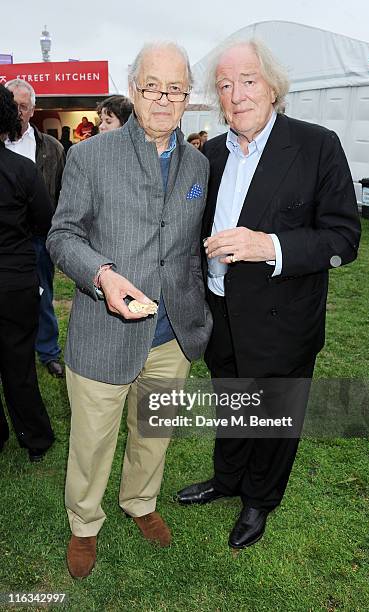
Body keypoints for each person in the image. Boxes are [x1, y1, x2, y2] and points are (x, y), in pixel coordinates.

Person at [176, 38, 361, 549]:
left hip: (284, 321)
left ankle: (260, 498)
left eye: (248, 81)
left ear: (274, 85)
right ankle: (228, 479)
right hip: (222, 313)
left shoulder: (316, 143)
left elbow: (344, 238)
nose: (236, 95)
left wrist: (269, 245)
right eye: (225, 85)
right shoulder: (211, 152)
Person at [47, 41, 212, 578]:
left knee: (154, 434)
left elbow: (184, 245)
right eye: (152, 87)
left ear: (188, 96)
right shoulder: (90, 155)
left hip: (170, 338)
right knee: (91, 443)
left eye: (175, 89)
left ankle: (140, 503)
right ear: (132, 87)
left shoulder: (198, 164)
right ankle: (83, 522)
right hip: (103, 332)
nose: (163, 98)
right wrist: (101, 274)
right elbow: (62, 234)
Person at [0, 84, 55, 462]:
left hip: (14, 276)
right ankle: (36, 439)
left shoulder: (22, 167)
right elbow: (45, 221)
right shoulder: (21, 169)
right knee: (18, 365)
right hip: (16, 281)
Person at [5, 79, 66, 378]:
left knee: (43, 294)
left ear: (34, 110)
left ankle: (48, 350)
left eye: (24, 107)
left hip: (40, 236)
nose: (18, 112)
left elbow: (63, 191)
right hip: (7, 239)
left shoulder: (52, 148)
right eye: (12, 105)